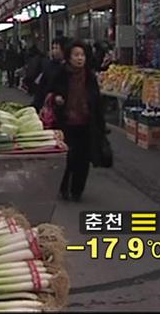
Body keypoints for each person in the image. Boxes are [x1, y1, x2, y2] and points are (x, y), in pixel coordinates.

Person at [49, 41, 106, 202]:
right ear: (69, 57)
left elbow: (97, 102)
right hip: (65, 123)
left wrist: (101, 126)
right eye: (76, 55)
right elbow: (50, 92)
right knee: (67, 157)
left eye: (82, 55)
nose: (80, 58)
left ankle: (77, 190)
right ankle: (63, 187)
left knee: (83, 159)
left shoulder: (90, 77)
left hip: (86, 124)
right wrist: (57, 98)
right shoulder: (61, 73)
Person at [33, 37, 69, 111]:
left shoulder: (70, 67)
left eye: (56, 48)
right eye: (53, 48)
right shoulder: (50, 66)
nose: (54, 51)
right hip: (49, 107)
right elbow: (42, 86)